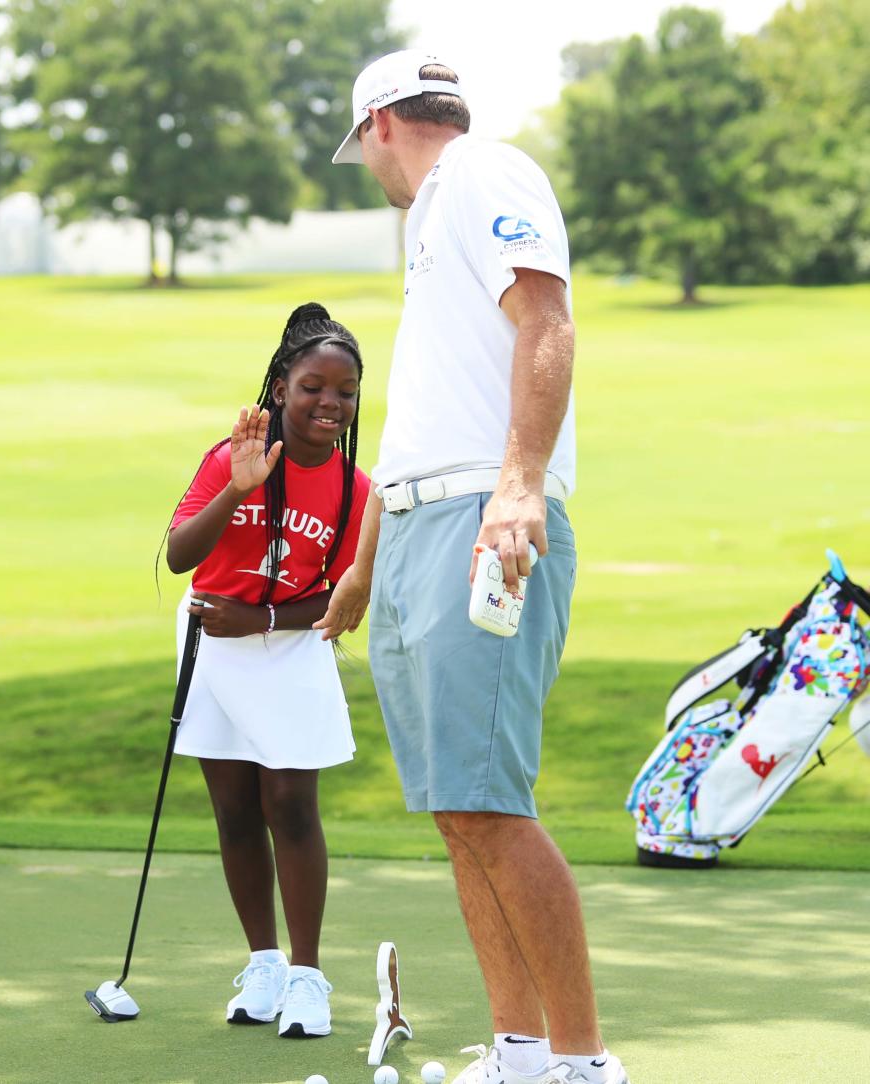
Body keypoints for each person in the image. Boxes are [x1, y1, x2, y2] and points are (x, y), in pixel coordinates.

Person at [316, 51, 630, 1084]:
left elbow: (546, 321)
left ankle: (584, 1065)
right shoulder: (433, 222)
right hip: (417, 524)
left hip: (479, 518)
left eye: (364, 149)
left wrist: (520, 486)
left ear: (381, 127)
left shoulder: (483, 172)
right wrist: (366, 564)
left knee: (491, 803)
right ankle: (522, 1053)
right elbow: (419, 421)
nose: (371, 166)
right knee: (460, 809)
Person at [166, 303, 370, 1039]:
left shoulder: (358, 490)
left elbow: (345, 601)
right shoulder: (229, 457)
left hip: (292, 642)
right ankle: (265, 962)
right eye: (314, 386)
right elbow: (180, 556)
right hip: (213, 642)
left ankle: (309, 976)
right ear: (281, 388)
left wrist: (264, 621)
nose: (330, 404)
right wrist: (237, 490)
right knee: (233, 811)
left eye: (344, 392)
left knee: (289, 802)